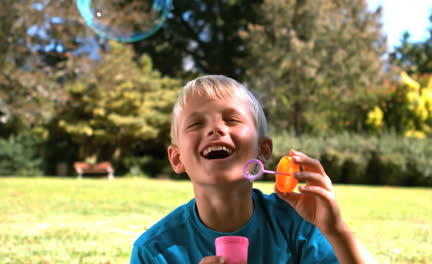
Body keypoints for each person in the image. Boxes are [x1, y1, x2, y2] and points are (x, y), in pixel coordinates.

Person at [130, 75, 378, 263]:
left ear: (263, 150)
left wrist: (335, 231)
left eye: (232, 119)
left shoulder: (295, 223)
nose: (216, 129)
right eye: (196, 123)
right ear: (176, 158)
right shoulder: (155, 251)